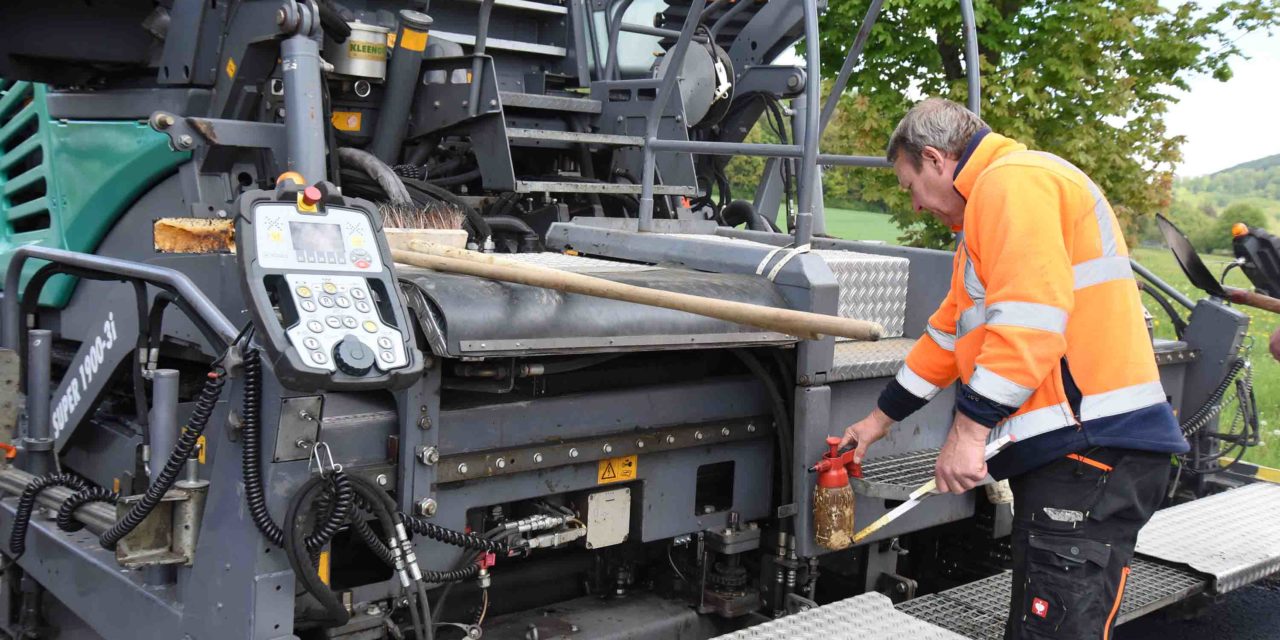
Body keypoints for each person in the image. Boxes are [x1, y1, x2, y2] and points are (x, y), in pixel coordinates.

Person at [840, 98, 1188, 639]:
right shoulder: (988, 217)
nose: (914, 206)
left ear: (935, 159)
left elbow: (1031, 324)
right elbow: (945, 337)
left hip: (1090, 449)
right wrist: (876, 423)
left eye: (910, 186)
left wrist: (968, 432)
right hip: (1081, 453)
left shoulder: (1012, 184)